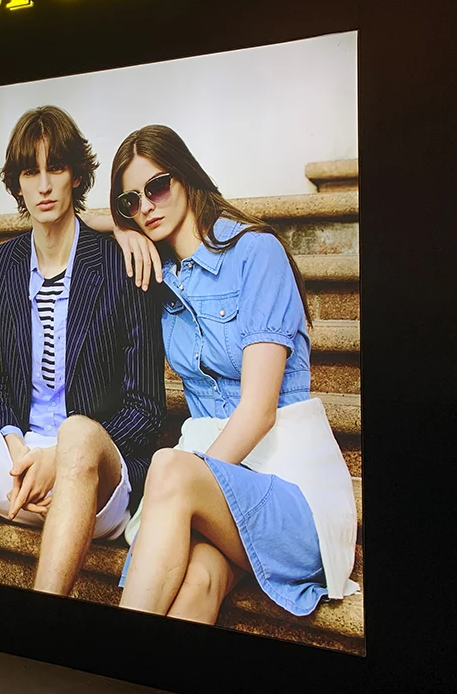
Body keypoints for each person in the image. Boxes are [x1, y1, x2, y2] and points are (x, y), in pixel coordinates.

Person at [0, 106, 166, 596]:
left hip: (95, 476)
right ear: (16, 184)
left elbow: (146, 409)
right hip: (19, 464)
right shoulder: (3, 266)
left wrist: (60, 458)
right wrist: (15, 442)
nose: (43, 186)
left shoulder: (121, 263)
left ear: (76, 176)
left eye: (55, 168)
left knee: (77, 433)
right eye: (29, 171)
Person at [111, 125, 358, 623]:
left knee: (171, 466)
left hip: (292, 494)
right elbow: (78, 217)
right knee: (198, 581)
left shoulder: (256, 253)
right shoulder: (163, 276)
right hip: (228, 494)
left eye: (157, 188)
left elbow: (259, 412)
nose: (146, 207)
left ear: (185, 177)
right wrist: (118, 227)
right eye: (130, 201)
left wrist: (189, 483)